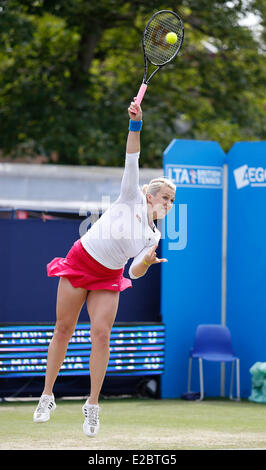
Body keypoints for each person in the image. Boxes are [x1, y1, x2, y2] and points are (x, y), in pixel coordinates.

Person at [33, 99, 176, 437]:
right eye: (166, 198)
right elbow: (132, 157)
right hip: (81, 259)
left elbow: (134, 273)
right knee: (64, 329)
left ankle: (92, 405)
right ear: (151, 196)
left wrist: (146, 261)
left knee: (101, 334)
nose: (169, 204)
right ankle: (46, 395)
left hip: (109, 276)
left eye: (173, 201)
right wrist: (136, 124)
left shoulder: (153, 236)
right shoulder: (130, 194)